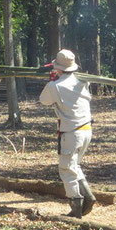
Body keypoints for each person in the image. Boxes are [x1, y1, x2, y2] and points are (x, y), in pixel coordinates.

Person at [39, 49, 96, 219]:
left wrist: (52, 81)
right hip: (86, 130)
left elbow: (44, 101)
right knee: (74, 166)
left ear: (58, 68)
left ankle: (76, 207)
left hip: (71, 133)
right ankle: (88, 197)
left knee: (66, 170)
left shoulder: (54, 86)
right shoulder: (82, 81)